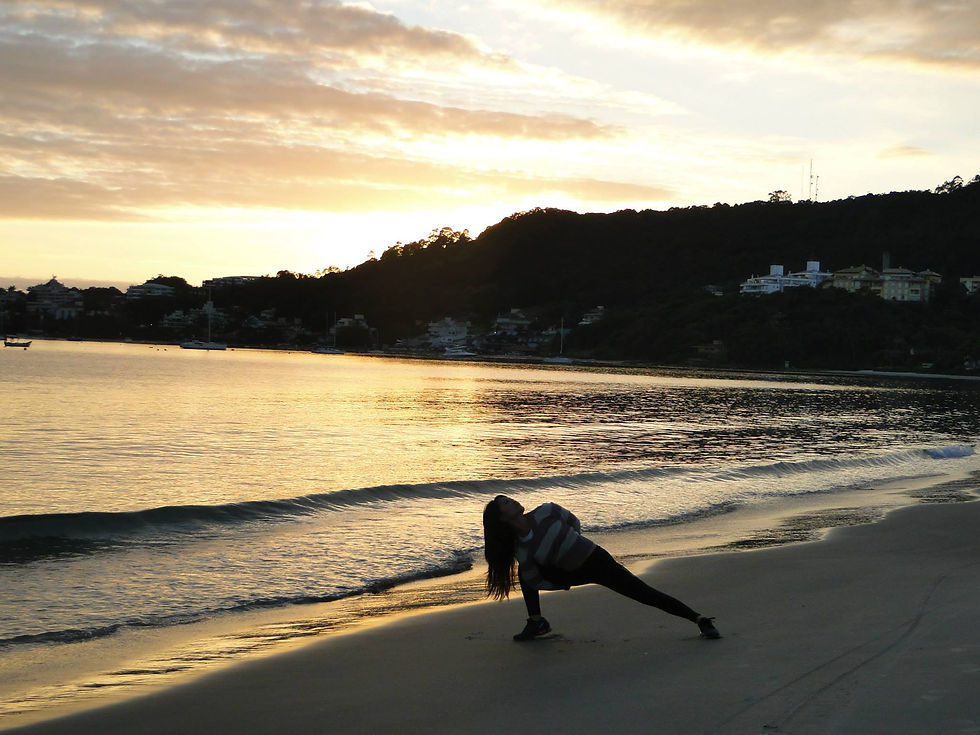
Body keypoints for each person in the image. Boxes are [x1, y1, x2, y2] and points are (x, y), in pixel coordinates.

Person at [483, 495, 721, 641]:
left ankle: (700, 620)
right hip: (571, 573)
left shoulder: (547, 510)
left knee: (642, 592)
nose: (512, 500)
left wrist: (570, 545)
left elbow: (573, 522)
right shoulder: (522, 551)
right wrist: (561, 580)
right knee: (525, 575)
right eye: (506, 503)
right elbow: (535, 580)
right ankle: (537, 621)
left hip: (597, 560)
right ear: (502, 519)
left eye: (508, 498)